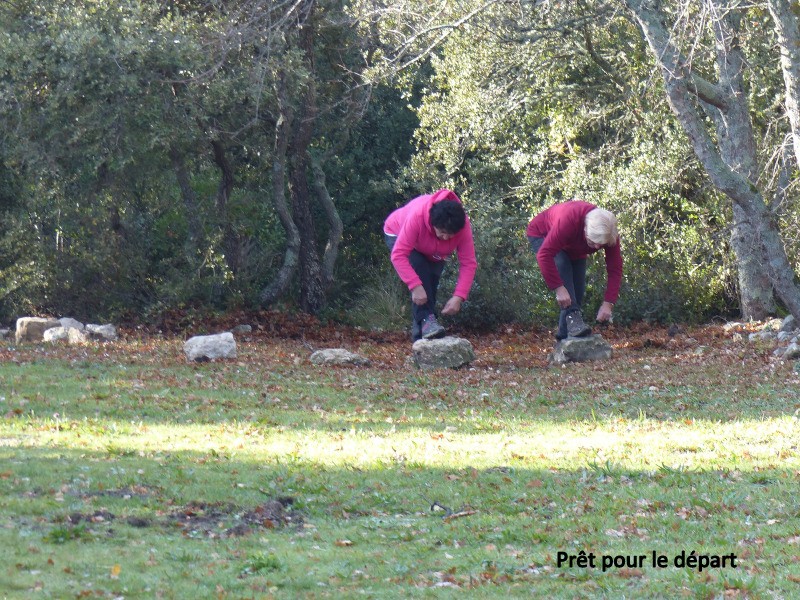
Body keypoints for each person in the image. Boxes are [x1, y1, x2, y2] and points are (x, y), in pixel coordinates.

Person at [384, 189, 478, 341]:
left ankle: (423, 339)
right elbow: (399, 255)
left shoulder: (462, 225)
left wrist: (459, 296)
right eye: (442, 232)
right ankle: (428, 325)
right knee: (420, 270)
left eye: (451, 235)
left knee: (430, 287)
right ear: (433, 223)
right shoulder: (418, 216)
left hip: (433, 251)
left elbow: (468, 263)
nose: (446, 237)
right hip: (397, 233)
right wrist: (414, 285)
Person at [527, 200, 622, 341]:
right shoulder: (570, 219)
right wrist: (559, 288)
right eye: (593, 241)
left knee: (577, 292)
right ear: (585, 228)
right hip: (543, 234)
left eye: (600, 244)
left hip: (573, 247)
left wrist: (608, 303)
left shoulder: (608, 232)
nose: (596, 247)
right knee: (562, 263)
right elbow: (544, 254)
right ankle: (573, 325)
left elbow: (615, 268)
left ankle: (565, 340)